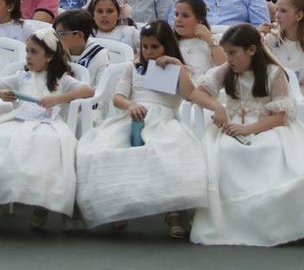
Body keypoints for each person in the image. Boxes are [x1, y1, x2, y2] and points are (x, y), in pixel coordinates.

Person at [186, 23, 304, 245]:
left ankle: (282, 222)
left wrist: (248, 129)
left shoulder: (273, 73)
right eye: (227, 53)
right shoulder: (227, 70)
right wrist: (218, 107)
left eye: (234, 53)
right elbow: (196, 92)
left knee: (275, 154)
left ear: (251, 50)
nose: (229, 58)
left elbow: (281, 116)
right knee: (226, 152)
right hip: (233, 124)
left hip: (269, 125)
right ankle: (234, 222)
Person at [0, 29, 95, 228]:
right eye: (27, 52)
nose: (29, 57)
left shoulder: (61, 79)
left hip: (49, 123)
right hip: (18, 119)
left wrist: (57, 99)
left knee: (40, 143)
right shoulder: (23, 77)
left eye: (34, 52)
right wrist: (1, 93)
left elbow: (88, 90)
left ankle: (42, 203)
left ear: (48, 56)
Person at [74, 19, 207, 237]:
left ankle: (174, 212)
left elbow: (189, 94)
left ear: (167, 46)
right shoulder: (132, 68)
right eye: (146, 47)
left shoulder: (178, 69)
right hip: (133, 117)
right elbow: (118, 97)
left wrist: (177, 66)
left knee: (169, 150)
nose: (150, 52)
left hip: (163, 120)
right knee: (104, 149)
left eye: (155, 47)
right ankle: (116, 207)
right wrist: (131, 105)